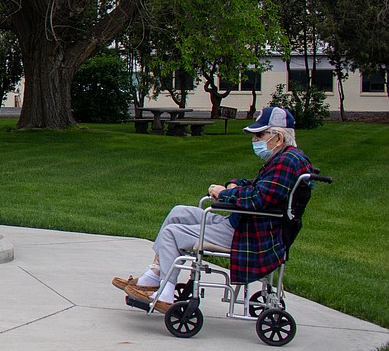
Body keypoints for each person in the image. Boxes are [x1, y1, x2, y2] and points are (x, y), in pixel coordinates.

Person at [112, 106, 315, 312]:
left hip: (248, 234)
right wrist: (233, 184)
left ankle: (165, 291)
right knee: (179, 212)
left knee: (171, 233)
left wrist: (225, 194)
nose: (255, 140)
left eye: (260, 135)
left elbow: (257, 199)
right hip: (245, 224)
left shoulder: (286, 162)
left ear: (278, 137)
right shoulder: (286, 159)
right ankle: (154, 274)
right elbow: (258, 187)